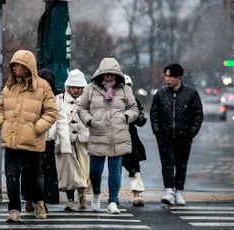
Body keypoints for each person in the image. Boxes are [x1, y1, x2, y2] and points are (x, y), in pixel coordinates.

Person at [0, 50, 57, 222]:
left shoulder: (43, 87)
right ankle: (14, 210)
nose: (14, 68)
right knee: (11, 176)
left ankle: (39, 202)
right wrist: (2, 123)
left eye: (17, 65)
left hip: (33, 141)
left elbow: (51, 112)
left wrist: (36, 129)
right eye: (13, 64)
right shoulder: (9, 85)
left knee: (34, 178)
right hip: (12, 140)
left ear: (27, 66)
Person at [78, 58, 139, 214]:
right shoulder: (90, 89)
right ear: (101, 74)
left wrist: (125, 117)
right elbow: (81, 108)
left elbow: (134, 109)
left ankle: (113, 201)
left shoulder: (125, 89)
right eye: (106, 74)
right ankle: (97, 194)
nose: (109, 77)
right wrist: (89, 120)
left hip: (118, 136)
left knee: (115, 171)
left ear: (117, 74)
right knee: (95, 172)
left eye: (112, 74)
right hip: (98, 134)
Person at [150, 63, 203, 206]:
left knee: (181, 164)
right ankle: (168, 191)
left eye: (170, 76)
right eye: (165, 76)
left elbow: (198, 114)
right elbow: (154, 113)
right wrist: (158, 132)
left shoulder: (191, 93)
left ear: (179, 77)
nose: (167, 79)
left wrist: (191, 133)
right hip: (165, 136)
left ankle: (178, 191)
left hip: (184, 136)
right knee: (167, 163)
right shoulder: (160, 94)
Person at [21, 68, 72, 213]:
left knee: (47, 174)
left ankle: (43, 201)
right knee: (30, 172)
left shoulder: (57, 98)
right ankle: (30, 199)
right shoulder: (30, 94)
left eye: (49, 83)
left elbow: (61, 120)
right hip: (31, 140)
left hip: (48, 141)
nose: (46, 86)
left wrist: (65, 144)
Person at [58, 69, 90, 211]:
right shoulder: (60, 99)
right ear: (68, 87)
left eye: (78, 88)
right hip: (67, 141)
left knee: (84, 170)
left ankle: (82, 196)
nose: (76, 90)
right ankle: (70, 200)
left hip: (84, 141)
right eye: (73, 87)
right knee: (69, 172)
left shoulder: (89, 101)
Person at [122, 75, 146, 207]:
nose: (127, 89)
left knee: (135, 168)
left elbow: (140, 123)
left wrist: (140, 116)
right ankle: (114, 196)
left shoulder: (135, 101)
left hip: (131, 138)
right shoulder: (111, 99)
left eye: (129, 86)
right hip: (114, 138)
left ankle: (137, 195)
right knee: (115, 168)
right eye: (124, 86)